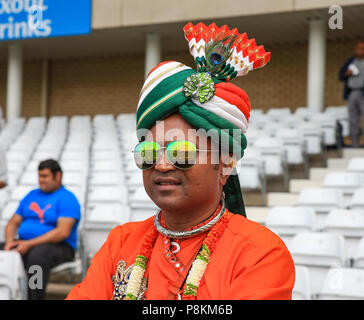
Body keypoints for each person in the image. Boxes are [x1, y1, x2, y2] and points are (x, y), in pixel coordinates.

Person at [66, 22, 295, 300]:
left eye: (182, 153)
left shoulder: (260, 252)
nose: (161, 165)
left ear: (225, 163)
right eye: (149, 152)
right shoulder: (121, 242)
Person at [0, 159, 81, 300]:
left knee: (37, 257)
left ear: (58, 176)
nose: (41, 180)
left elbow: (62, 232)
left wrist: (29, 244)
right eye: (39, 176)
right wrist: (9, 243)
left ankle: (34, 298)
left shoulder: (68, 198)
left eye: (45, 176)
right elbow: (13, 223)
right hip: (25, 243)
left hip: (60, 246)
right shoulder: (32, 195)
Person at [339, 41, 364, 147]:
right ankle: (354, 143)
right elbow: (341, 76)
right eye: (359, 48)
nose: (361, 50)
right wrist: (347, 73)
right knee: (353, 119)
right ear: (356, 50)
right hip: (352, 92)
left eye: (363, 48)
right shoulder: (350, 61)